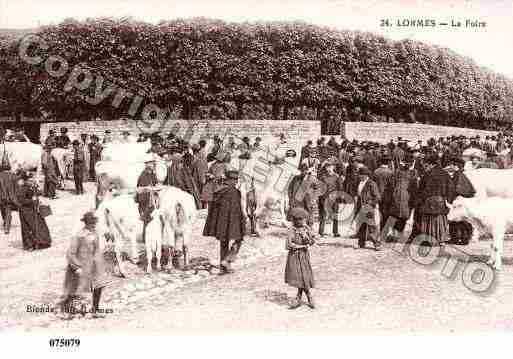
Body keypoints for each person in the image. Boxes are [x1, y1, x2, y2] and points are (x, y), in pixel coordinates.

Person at [61, 211, 111, 318]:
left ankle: (95, 310)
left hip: (95, 265)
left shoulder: (95, 233)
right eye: (91, 223)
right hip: (82, 266)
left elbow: (96, 248)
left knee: (98, 285)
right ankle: (68, 311)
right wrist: (77, 267)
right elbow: (70, 253)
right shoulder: (79, 236)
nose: (93, 225)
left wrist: (100, 260)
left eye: (94, 223)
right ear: (86, 223)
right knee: (77, 290)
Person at [203, 170, 246, 275]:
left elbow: (213, 208)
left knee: (224, 243)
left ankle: (223, 267)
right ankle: (227, 260)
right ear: (230, 180)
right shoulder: (234, 192)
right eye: (235, 180)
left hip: (220, 223)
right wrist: (242, 221)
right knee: (239, 240)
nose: (236, 182)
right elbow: (237, 209)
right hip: (232, 222)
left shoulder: (219, 191)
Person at [413, 154, 453, 247]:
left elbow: (423, 189)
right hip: (441, 200)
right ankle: (441, 240)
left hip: (429, 200)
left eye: (427, 165)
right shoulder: (445, 173)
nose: (426, 166)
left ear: (431, 164)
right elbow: (450, 188)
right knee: (440, 219)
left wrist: (419, 199)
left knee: (428, 220)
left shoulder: (427, 175)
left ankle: (430, 240)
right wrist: (448, 200)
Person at [285, 207, 317, 310]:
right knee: (300, 277)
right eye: (299, 219)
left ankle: (299, 297)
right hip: (294, 256)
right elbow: (288, 245)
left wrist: (306, 237)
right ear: (295, 220)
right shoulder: (291, 230)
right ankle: (308, 296)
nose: (302, 221)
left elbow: (312, 242)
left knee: (304, 276)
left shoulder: (306, 228)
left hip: (304, 256)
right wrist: (302, 246)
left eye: (303, 219)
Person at [16, 171, 52, 250]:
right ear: (26, 180)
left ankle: (42, 241)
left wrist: (38, 191)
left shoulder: (31, 186)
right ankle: (30, 245)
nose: (32, 181)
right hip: (25, 211)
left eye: (32, 179)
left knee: (40, 225)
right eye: (30, 180)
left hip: (33, 209)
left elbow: (39, 193)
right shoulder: (22, 188)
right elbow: (21, 200)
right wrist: (32, 200)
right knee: (28, 228)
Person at [354, 166, 382, 250]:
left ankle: (377, 244)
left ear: (365, 175)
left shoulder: (371, 184)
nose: (359, 176)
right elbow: (359, 196)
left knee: (371, 226)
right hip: (361, 207)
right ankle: (361, 243)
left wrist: (370, 204)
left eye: (361, 175)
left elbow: (377, 197)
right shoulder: (360, 183)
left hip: (369, 207)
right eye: (359, 175)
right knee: (361, 225)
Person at [318, 160, 344, 237]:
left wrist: (339, 197)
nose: (329, 168)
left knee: (335, 215)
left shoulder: (336, 176)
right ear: (325, 168)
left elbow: (340, 188)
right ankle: (321, 232)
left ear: (333, 167)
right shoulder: (322, 177)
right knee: (323, 215)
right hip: (325, 198)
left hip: (334, 198)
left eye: (331, 166)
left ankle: (335, 232)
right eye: (327, 167)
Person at [135, 155, 159, 224]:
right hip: (146, 205)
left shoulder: (152, 173)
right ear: (147, 164)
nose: (153, 164)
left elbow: (155, 184)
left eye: (153, 163)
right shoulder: (143, 175)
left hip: (151, 203)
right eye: (151, 163)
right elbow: (142, 193)